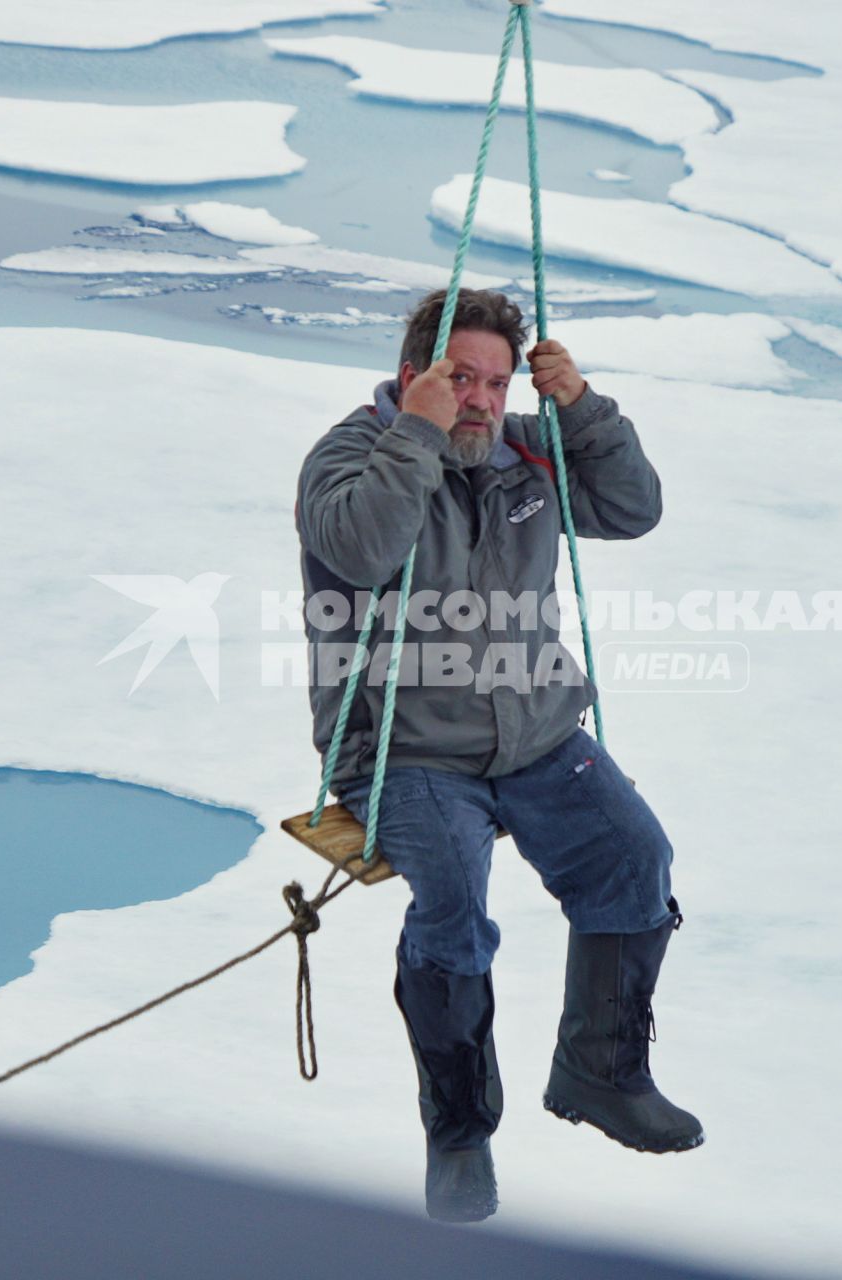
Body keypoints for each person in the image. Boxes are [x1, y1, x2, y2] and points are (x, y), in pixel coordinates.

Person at [294, 288, 701, 1224]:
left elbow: (631, 510)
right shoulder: (351, 456)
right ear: (413, 378)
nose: (479, 399)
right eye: (459, 379)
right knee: (450, 904)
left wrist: (584, 409)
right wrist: (418, 437)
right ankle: (460, 1131)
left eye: (495, 381)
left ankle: (599, 1073)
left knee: (633, 858)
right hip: (407, 749)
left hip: (536, 734)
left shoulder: (524, 448)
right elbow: (361, 551)